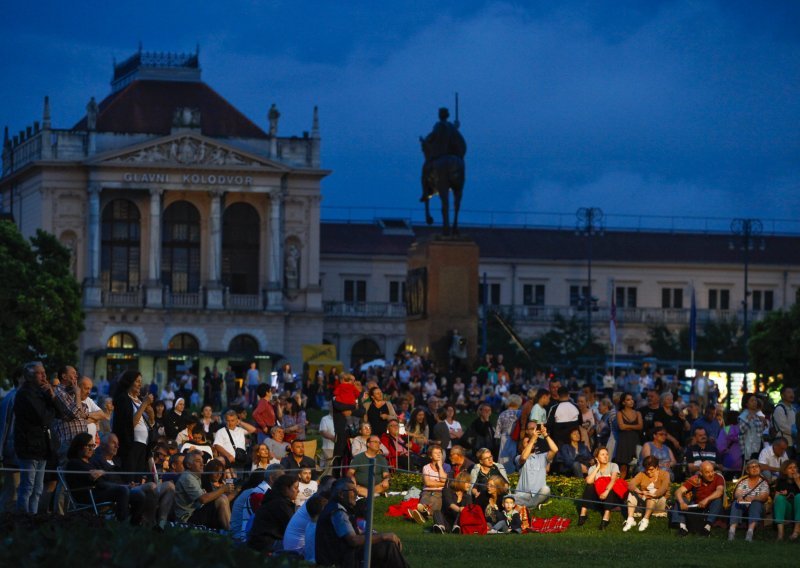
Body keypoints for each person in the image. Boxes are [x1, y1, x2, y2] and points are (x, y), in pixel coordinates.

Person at [13, 362, 71, 513]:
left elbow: (61, 413)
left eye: (44, 372)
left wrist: (52, 395)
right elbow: (43, 418)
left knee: (38, 488)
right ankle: (23, 520)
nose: (44, 376)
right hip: (29, 447)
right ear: (30, 376)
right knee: (28, 487)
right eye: (40, 373)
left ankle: (32, 518)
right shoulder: (25, 393)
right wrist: (51, 407)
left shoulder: (42, 392)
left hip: (43, 446)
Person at [315, 477, 408, 568]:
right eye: (353, 491)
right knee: (388, 547)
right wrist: (383, 536)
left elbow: (357, 533)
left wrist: (379, 535)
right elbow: (353, 540)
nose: (356, 494)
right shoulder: (338, 512)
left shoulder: (337, 507)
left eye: (356, 490)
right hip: (338, 561)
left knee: (386, 545)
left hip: (342, 556)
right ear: (341, 494)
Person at [64, 432, 131, 521]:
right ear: (79, 447)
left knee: (137, 494)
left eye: (93, 446)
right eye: (89, 446)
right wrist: (100, 473)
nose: (92, 449)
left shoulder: (90, 462)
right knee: (122, 490)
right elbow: (93, 477)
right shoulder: (74, 463)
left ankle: (136, 524)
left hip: (99, 492)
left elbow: (100, 479)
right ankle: (122, 524)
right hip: (89, 496)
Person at [174, 450, 236, 529]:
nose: (202, 464)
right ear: (188, 465)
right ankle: (231, 534)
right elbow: (203, 499)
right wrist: (223, 489)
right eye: (198, 461)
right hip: (188, 519)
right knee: (221, 499)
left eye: (202, 462)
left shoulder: (197, 477)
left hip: (197, 512)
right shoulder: (188, 477)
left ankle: (230, 531)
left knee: (223, 498)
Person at [671, 460, 725, 537]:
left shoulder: (718, 478)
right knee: (679, 500)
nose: (711, 474)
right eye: (707, 472)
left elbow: (719, 492)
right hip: (696, 505)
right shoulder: (696, 478)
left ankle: (707, 528)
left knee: (717, 500)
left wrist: (706, 500)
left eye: (712, 471)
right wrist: (681, 502)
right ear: (701, 473)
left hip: (711, 505)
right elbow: (678, 491)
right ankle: (682, 528)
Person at [577, 446, 626, 530]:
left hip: (611, 496)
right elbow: (588, 481)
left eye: (607, 454)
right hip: (598, 497)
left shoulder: (613, 465)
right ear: (597, 458)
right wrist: (597, 468)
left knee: (609, 487)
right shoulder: (592, 468)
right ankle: (583, 513)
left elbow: (613, 479)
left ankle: (606, 516)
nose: (605, 456)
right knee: (589, 486)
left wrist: (606, 491)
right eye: (602, 454)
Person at [247, 473, 299, 552]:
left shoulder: (274, 499)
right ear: (286, 489)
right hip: (267, 544)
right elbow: (292, 528)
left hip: (261, 542)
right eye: (295, 488)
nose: (298, 491)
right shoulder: (280, 504)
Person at [514, 422, 559, 509]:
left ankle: (529, 505)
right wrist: (533, 439)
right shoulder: (518, 458)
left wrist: (545, 434)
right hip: (523, 494)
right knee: (510, 498)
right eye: (527, 442)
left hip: (538, 494)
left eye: (532, 442)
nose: (532, 443)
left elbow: (555, 449)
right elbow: (523, 457)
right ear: (522, 447)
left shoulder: (542, 457)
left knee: (546, 489)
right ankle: (533, 505)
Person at [622, 455, 670, 532]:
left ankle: (645, 519)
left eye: (651, 470)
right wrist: (639, 491)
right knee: (632, 492)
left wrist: (652, 494)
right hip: (644, 502)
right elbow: (631, 484)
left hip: (659, 502)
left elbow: (663, 489)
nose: (648, 472)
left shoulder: (665, 474)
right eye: (646, 469)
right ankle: (630, 519)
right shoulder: (642, 474)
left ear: (657, 467)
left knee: (652, 495)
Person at [728, 460, 770, 542]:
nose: (755, 468)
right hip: (744, 505)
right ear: (747, 470)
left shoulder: (763, 482)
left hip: (758, 507)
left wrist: (753, 498)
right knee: (737, 503)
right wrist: (739, 497)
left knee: (756, 504)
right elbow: (738, 492)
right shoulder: (743, 481)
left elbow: (764, 496)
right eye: (752, 467)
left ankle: (750, 532)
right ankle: (732, 531)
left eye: (757, 466)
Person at [410, 446, 450, 525]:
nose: (438, 455)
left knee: (435, 500)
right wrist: (440, 483)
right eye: (436, 453)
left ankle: (423, 515)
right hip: (427, 490)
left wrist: (440, 467)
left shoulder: (445, 467)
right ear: (431, 456)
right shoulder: (426, 467)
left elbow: (444, 481)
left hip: (439, 491)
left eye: (440, 453)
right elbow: (427, 483)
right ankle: (423, 513)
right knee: (424, 500)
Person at [614, 393, 642, 479]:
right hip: (623, 441)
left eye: (632, 399)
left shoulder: (638, 413)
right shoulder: (619, 413)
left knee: (635, 466)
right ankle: (620, 486)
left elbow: (640, 426)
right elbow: (621, 427)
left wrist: (627, 426)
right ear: (623, 402)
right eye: (628, 400)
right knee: (623, 468)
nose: (631, 401)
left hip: (635, 441)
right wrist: (634, 427)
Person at [773, 459, 800, 540]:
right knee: (780, 498)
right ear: (784, 471)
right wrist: (782, 495)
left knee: (799, 496)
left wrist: (797, 480)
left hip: (798, 511)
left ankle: (796, 531)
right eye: (790, 468)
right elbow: (775, 501)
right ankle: (780, 534)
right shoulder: (781, 482)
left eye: (795, 467)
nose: (793, 470)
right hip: (788, 511)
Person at [495, 394, 522, 473]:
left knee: (503, 463)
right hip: (516, 439)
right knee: (514, 460)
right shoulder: (520, 413)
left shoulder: (502, 414)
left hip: (504, 440)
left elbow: (497, 433)